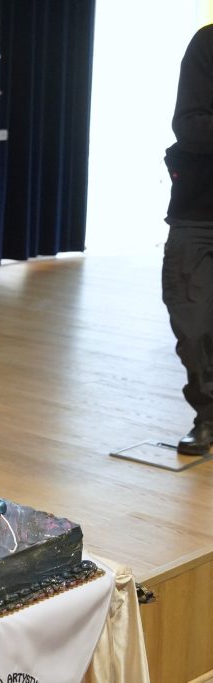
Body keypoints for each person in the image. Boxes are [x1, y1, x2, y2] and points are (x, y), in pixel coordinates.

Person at [163, 24, 213, 456]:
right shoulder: (208, 43)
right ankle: (208, 415)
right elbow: (190, 126)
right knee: (193, 328)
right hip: (199, 214)